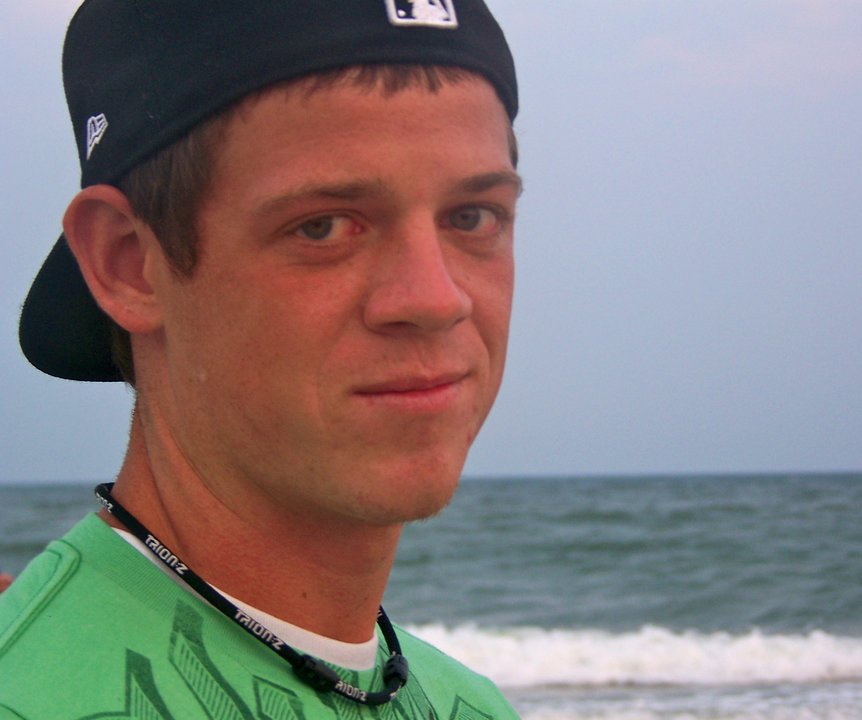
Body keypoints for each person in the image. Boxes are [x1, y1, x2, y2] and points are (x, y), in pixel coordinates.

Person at [0, 1, 522, 718]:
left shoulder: (473, 705)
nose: (436, 299)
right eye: (323, 226)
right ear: (129, 263)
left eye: (472, 217)